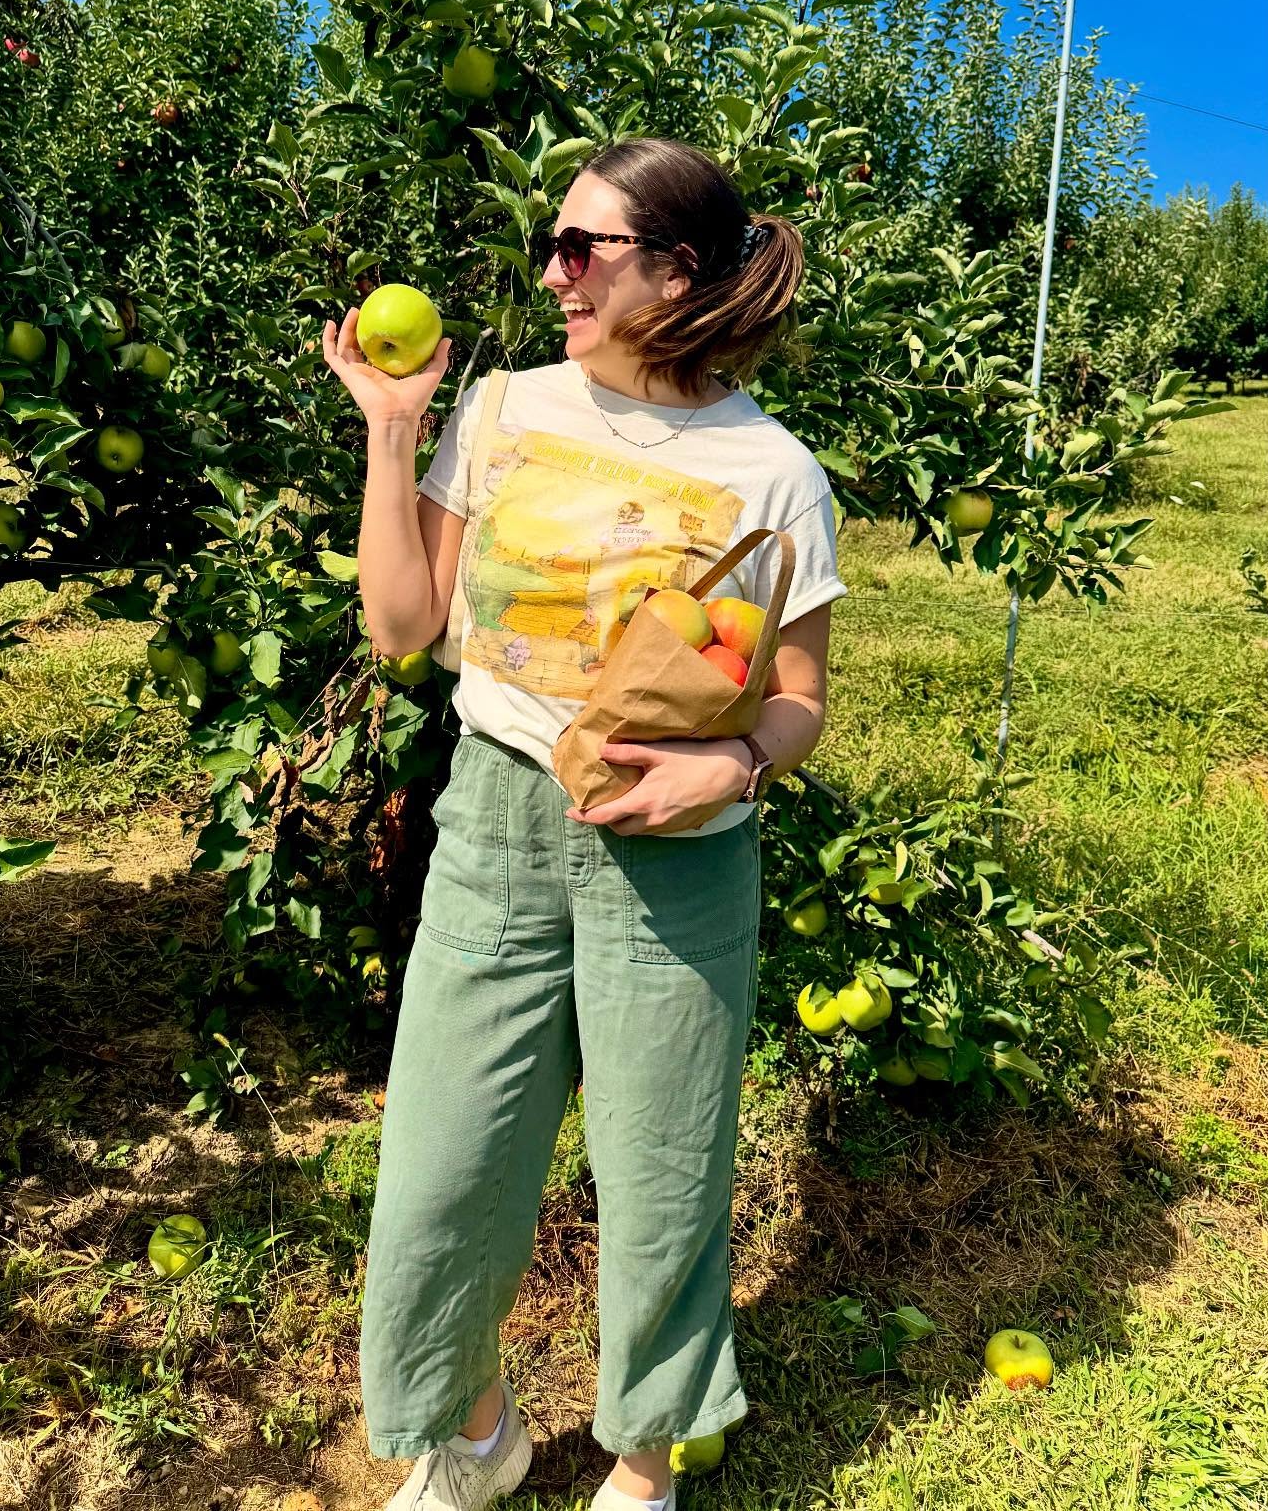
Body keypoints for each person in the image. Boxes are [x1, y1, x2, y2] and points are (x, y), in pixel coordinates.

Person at [322, 136, 847, 1511]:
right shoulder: (498, 408)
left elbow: (799, 700)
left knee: (666, 1167)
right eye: (550, 243)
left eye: (582, 247)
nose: (549, 270)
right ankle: (476, 1427)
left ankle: (644, 1457)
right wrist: (391, 427)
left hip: (676, 856)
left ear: (675, 272)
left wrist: (728, 769)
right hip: (496, 820)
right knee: (443, 1162)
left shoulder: (775, 472)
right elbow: (400, 625)